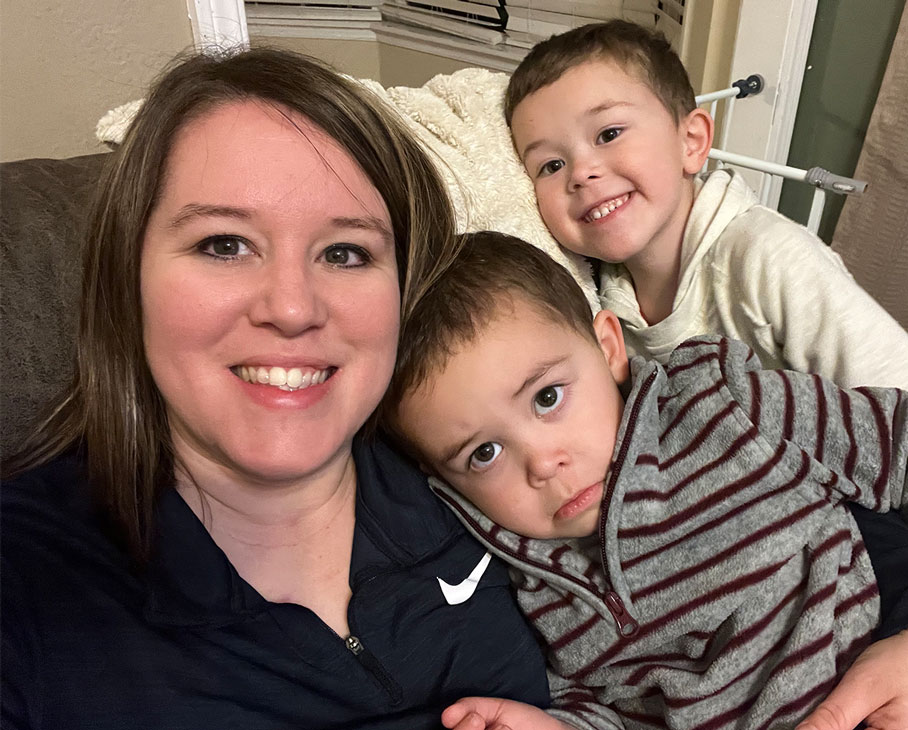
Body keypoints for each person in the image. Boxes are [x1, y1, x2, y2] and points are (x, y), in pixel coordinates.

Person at [0, 48, 552, 729]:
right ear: (127, 280)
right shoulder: (29, 583)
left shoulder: (495, 467)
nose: (292, 308)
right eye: (224, 244)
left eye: (345, 253)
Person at [383, 231, 908, 730]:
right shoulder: (525, 576)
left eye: (547, 397)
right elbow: (610, 708)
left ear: (608, 347)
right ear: (438, 477)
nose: (543, 463)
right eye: (484, 452)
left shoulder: (724, 405)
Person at [502, 20, 908, 425]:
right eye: (550, 165)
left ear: (691, 141)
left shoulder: (768, 257)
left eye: (608, 134)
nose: (581, 172)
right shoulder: (592, 297)